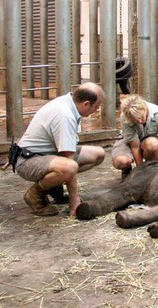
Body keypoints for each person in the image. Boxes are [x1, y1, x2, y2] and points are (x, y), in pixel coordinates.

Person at [15, 82, 106, 217]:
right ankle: (35, 194)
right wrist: (74, 200)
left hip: (48, 155)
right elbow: (67, 158)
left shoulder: (69, 103)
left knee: (98, 154)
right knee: (69, 167)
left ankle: (52, 185)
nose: (96, 111)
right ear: (86, 104)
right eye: (96, 107)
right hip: (29, 160)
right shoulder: (65, 115)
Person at [111, 94, 158, 178]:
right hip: (128, 140)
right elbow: (135, 146)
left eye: (141, 117)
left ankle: (150, 165)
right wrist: (140, 169)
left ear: (144, 109)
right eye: (136, 120)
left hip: (148, 139)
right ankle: (127, 170)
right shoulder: (125, 117)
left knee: (153, 145)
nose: (140, 121)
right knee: (121, 161)